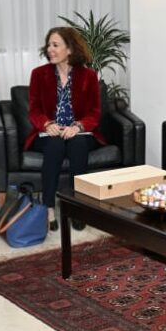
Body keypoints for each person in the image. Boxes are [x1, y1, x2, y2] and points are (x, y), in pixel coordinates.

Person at [25, 26, 105, 231]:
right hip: (49, 132)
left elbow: (94, 112)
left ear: (69, 49)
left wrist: (78, 126)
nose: (50, 49)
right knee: (55, 145)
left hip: (80, 131)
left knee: (78, 144)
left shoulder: (88, 76)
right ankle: (49, 207)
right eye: (48, 45)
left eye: (55, 45)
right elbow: (34, 110)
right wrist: (47, 124)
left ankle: (77, 207)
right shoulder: (38, 74)